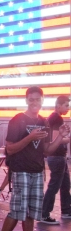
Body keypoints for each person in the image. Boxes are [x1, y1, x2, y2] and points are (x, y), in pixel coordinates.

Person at [0, 87, 70, 231]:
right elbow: (10, 148)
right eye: (31, 100)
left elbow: (47, 150)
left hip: (38, 170)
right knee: (17, 211)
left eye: (38, 100)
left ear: (42, 100)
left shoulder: (44, 121)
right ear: (26, 100)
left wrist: (61, 138)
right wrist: (30, 136)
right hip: (21, 170)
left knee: (32, 211)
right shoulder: (18, 120)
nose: (34, 103)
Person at [40, 95, 71, 223]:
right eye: (66, 105)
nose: (68, 108)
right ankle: (44, 213)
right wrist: (68, 138)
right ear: (58, 105)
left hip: (58, 157)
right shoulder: (57, 119)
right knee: (55, 185)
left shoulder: (54, 117)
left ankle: (66, 211)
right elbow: (55, 139)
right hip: (57, 156)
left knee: (65, 184)